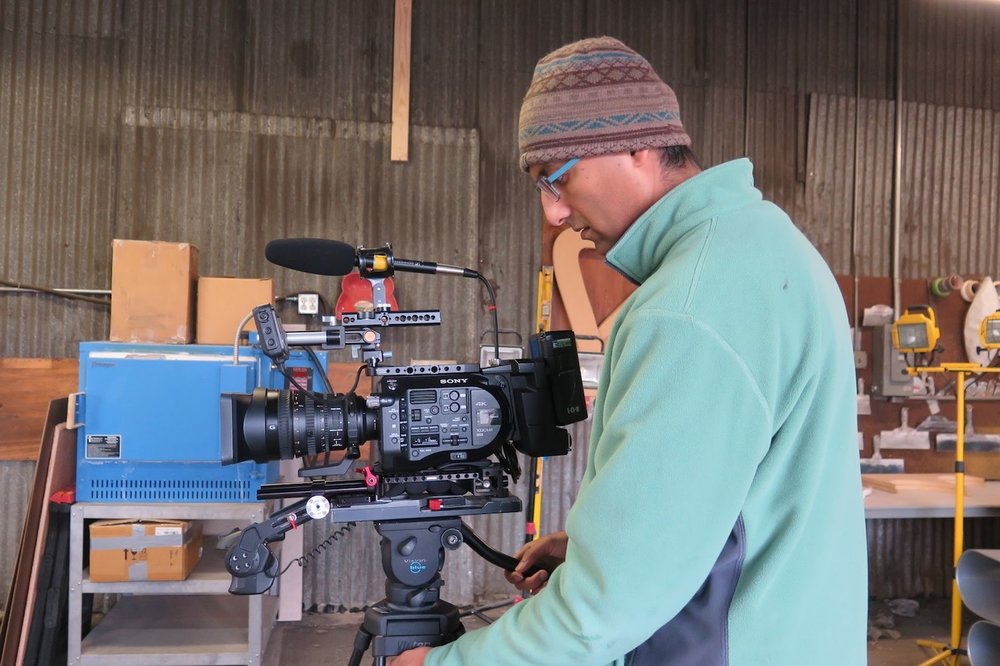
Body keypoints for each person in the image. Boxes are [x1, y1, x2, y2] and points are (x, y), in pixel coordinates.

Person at [389, 36, 867, 666]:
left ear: (636, 147)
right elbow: (731, 500)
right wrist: (602, 546)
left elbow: (605, 611)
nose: (555, 213)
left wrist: (450, 663)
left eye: (555, 180)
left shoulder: (688, 307)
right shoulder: (763, 243)